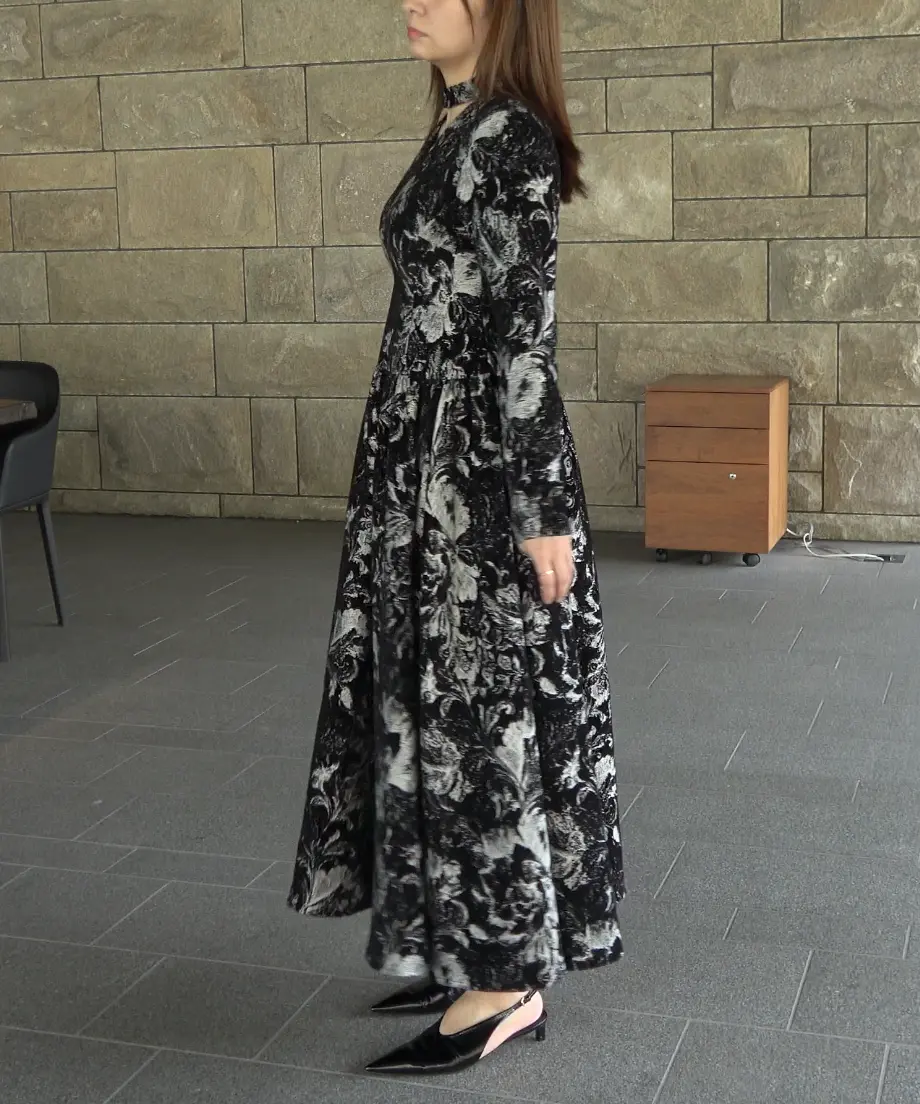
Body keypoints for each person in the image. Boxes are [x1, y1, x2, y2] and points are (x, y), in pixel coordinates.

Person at [289, 0, 624, 1076]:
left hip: (474, 480)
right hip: (421, 466)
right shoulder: (459, 122)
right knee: (430, 703)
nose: (412, 1)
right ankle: (464, 944)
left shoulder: (510, 134)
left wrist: (540, 512)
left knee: (480, 717)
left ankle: (503, 983)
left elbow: (525, 330)